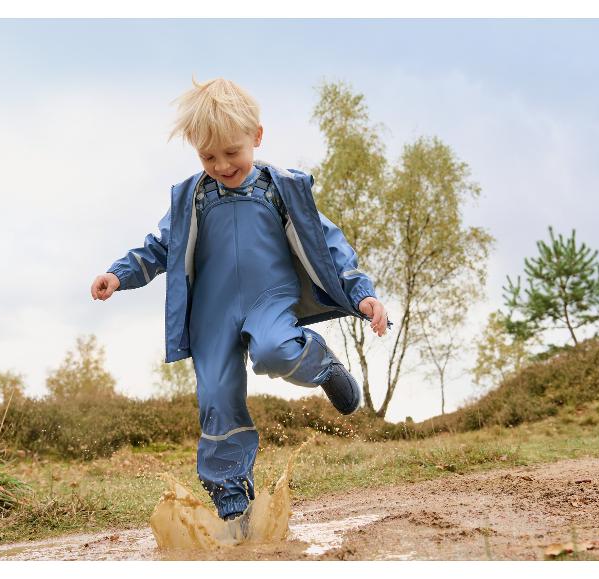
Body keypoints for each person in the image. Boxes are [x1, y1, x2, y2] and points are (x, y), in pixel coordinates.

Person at [90, 77, 391, 524]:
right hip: (211, 310)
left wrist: (362, 295)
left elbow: (327, 244)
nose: (222, 164)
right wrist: (119, 274)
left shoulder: (279, 189)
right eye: (208, 157)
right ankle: (231, 497)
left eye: (232, 152)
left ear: (257, 137)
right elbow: (158, 248)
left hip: (270, 297)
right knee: (216, 394)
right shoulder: (192, 198)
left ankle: (322, 365)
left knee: (273, 350)